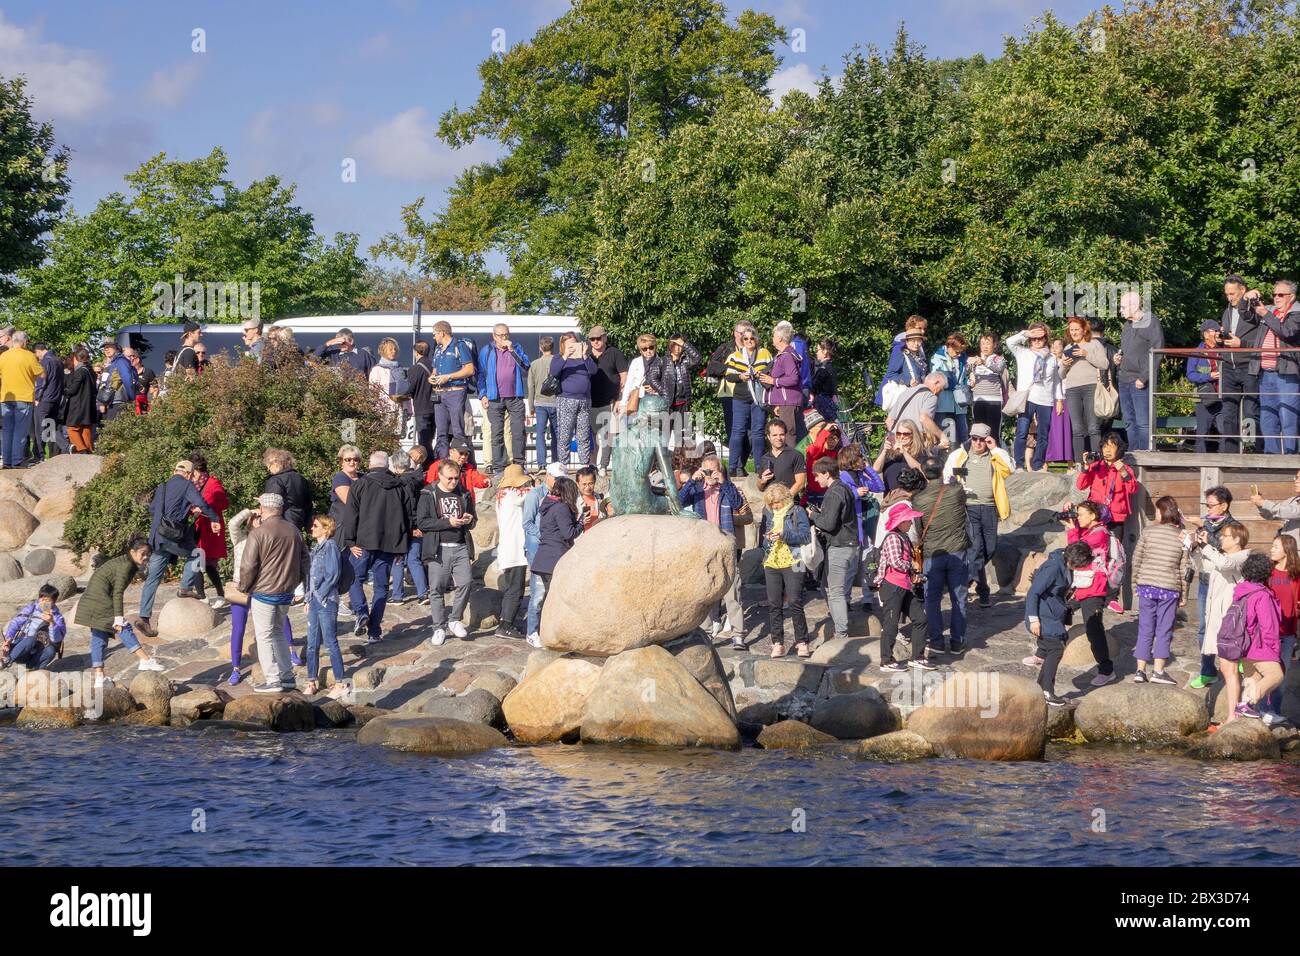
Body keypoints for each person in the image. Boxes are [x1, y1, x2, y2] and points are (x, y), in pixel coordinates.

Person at [136, 460, 221, 638]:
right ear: (189, 474)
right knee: (198, 554)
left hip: (157, 537)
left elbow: (153, 509)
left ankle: (143, 617)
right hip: (172, 537)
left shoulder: (163, 486)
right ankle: (184, 588)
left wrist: (185, 510)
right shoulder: (187, 485)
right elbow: (202, 503)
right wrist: (214, 518)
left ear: (174, 470)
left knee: (153, 579)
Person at [238, 493, 311, 694]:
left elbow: (248, 566)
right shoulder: (293, 530)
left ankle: (273, 679)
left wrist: (244, 587)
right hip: (286, 591)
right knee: (278, 632)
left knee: (264, 635)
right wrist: (297, 582)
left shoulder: (258, 533)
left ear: (263, 509)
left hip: (264, 592)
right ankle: (287, 677)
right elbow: (305, 560)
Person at [339, 450, 414, 642]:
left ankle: (362, 612)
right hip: (390, 545)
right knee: (381, 587)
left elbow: (350, 515)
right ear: (387, 465)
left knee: (354, 579)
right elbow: (408, 518)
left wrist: (350, 541)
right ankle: (374, 631)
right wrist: (402, 547)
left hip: (363, 543)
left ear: (370, 465)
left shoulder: (360, 485)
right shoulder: (400, 486)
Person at [75, 536, 165, 687]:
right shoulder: (126, 566)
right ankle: (144, 660)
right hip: (99, 600)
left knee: (99, 637)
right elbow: (118, 593)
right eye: (143, 553)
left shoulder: (126, 562)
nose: (146, 557)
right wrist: (118, 617)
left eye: (148, 554)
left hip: (92, 601)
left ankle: (99, 677)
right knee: (122, 626)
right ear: (132, 552)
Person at [679, 454, 749, 647]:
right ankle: (707, 633)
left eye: (713, 470)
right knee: (705, 592)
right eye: (707, 470)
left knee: (732, 592)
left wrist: (723, 481)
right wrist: (692, 481)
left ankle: (738, 635)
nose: (710, 474)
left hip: (726, 545)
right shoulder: (697, 489)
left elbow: (738, 504)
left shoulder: (727, 488)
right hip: (704, 546)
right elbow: (678, 502)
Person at [225, 505, 297, 685]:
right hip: (241, 589)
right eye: (256, 519)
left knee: (281, 621)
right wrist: (250, 511)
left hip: (263, 589)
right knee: (238, 627)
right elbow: (233, 523)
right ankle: (235, 667)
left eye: (262, 519)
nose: (259, 521)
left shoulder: (268, 538)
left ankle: (291, 650)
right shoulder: (240, 539)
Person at [943, 422, 1012, 609]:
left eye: (982, 440)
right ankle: (967, 586)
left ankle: (979, 587)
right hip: (968, 507)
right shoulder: (960, 455)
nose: (978, 443)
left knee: (988, 549)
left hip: (990, 507)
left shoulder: (995, 456)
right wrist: (956, 487)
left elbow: (1009, 469)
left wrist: (995, 448)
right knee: (975, 548)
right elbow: (947, 476)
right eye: (975, 439)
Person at [1026, 541, 1098, 706]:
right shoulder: (1052, 568)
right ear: (1072, 561)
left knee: (1053, 649)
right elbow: (1033, 594)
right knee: (1056, 649)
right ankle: (1046, 691)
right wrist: (1034, 620)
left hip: (1052, 614)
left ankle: (1041, 688)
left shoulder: (1064, 564)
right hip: (1043, 615)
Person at [913, 456, 971, 654]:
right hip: (957, 551)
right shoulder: (956, 491)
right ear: (941, 471)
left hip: (932, 553)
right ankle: (957, 641)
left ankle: (936, 641)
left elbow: (919, 530)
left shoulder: (919, 500)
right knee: (959, 597)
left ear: (924, 474)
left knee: (932, 599)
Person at [1057, 501, 1118, 686]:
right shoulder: (1089, 531)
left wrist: (1071, 529)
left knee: (1094, 630)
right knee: (1057, 610)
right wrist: (1071, 520)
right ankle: (1045, 652)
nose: (1079, 517)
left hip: (1094, 589)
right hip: (1081, 585)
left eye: (1082, 514)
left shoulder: (1099, 534)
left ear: (1093, 516)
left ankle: (1107, 670)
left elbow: (1075, 550)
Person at [419, 459, 477, 646]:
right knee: (436, 589)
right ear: (440, 476)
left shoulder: (464, 493)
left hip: (460, 545)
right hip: (438, 548)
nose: (453, 482)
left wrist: (469, 519)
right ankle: (438, 627)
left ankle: (454, 619)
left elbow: (473, 519)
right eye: (450, 478)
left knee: (466, 583)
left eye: (456, 478)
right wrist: (447, 522)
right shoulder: (429, 493)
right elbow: (423, 522)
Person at [1131, 495, 1187, 684]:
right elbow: (1183, 568)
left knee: (1145, 628)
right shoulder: (1181, 536)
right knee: (1164, 630)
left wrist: (1134, 584)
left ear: (1162, 512)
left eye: (1156, 509)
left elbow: (1136, 560)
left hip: (1146, 586)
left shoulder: (1148, 532)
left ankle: (1140, 671)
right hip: (1169, 589)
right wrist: (1184, 594)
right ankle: (1158, 671)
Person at [1184, 485, 1236, 684]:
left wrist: (1203, 529)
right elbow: (1203, 548)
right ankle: (1207, 670)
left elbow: (1225, 547)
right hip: (1205, 579)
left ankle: (1234, 660)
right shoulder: (1207, 523)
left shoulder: (1233, 526)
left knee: (1227, 625)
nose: (1208, 509)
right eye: (1206, 505)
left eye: (1211, 505)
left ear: (1224, 506)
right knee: (1204, 627)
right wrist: (1191, 543)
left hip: (1224, 582)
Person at [874, 503, 935, 673]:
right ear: (900, 521)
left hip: (904, 586)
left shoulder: (903, 536)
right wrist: (912, 565)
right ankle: (886, 660)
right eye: (908, 519)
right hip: (892, 587)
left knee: (920, 619)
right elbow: (896, 562)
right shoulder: (893, 537)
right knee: (891, 625)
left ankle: (917, 657)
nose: (911, 522)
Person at [1192, 521, 1250, 697]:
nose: (1221, 539)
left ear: (1237, 539)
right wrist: (1194, 548)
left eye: (1225, 536)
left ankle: (1240, 702)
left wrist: (1207, 546)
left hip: (1232, 616)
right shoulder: (1221, 556)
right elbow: (1203, 567)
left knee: (1229, 665)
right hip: (1218, 613)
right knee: (1226, 663)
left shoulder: (1243, 556)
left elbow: (1226, 565)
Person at [758, 482, 812, 659]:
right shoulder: (769, 514)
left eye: (777, 502)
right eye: (772, 503)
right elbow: (763, 543)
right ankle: (777, 643)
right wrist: (768, 539)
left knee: (795, 601)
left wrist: (784, 535)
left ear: (785, 499)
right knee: (774, 604)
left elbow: (805, 535)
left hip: (795, 559)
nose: (775, 506)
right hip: (772, 562)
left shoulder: (797, 511)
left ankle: (802, 641)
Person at [809, 457, 861, 643]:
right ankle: (839, 622)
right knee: (825, 586)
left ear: (826, 473)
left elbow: (829, 524)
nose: (815, 480)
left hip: (840, 547)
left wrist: (813, 515)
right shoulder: (844, 487)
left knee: (836, 591)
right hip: (848, 545)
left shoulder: (833, 492)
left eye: (817, 476)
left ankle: (841, 634)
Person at [1228, 552, 1284, 721]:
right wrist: (1274, 649)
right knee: (1276, 675)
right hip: (1260, 646)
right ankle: (1247, 703)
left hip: (1243, 644)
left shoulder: (1241, 591)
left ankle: (1244, 712)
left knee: (1254, 678)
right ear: (1266, 572)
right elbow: (1269, 627)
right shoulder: (1262, 595)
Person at [1251, 279, 1300, 454]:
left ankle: (1289, 457)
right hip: (1266, 373)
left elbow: (1287, 332)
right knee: (1267, 417)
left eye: (1281, 294)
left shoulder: (1296, 314)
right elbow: (1247, 317)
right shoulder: (1270, 312)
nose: (1276, 298)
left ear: (1291, 297)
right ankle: (1270, 457)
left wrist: (1266, 314)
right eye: (1274, 294)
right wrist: (1246, 300)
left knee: (1288, 416)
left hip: (1287, 374)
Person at [1006, 323, 1063, 472]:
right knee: (1022, 431)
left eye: (1041, 338)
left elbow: (1056, 381)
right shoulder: (1022, 352)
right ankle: (1019, 464)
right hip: (1027, 398)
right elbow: (1009, 342)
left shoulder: (1052, 358)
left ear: (1046, 339)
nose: (1037, 341)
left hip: (1046, 399)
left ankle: (1038, 464)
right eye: (1034, 338)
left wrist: (1059, 400)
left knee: (1043, 434)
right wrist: (1026, 333)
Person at [530, 475, 582, 633]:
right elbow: (569, 533)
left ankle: (540, 631)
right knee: (554, 599)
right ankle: (548, 631)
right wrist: (581, 523)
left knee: (545, 597)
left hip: (544, 558)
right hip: (555, 558)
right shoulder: (561, 508)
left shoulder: (548, 506)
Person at [303, 515, 347, 699]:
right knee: (311, 643)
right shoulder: (315, 549)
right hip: (314, 600)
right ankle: (311, 681)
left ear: (325, 529)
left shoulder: (330, 546)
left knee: (330, 642)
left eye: (315, 526)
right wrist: (308, 599)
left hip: (326, 600)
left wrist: (320, 595)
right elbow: (309, 577)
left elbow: (333, 574)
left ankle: (340, 682)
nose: (311, 528)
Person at [524, 462, 567, 646]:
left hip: (555, 549)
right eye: (556, 478)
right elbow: (527, 522)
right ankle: (532, 631)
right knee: (538, 592)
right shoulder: (535, 495)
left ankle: (549, 628)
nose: (558, 482)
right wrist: (545, 535)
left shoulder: (561, 496)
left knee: (554, 591)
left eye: (561, 479)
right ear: (548, 476)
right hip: (537, 548)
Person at [1217, 276, 1262, 453]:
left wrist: (1241, 344)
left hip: (1249, 365)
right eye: (1227, 294)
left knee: (1251, 411)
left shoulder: (1254, 308)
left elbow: (1259, 339)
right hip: (1229, 366)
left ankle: (1254, 451)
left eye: (1233, 293)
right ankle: (1230, 454)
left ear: (1242, 290)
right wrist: (1220, 339)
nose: (1230, 297)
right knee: (1228, 412)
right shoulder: (1226, 311)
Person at [479, 323, 531, 474]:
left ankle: (519, 464)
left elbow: (526, 366)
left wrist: (512, 351)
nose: (504, 338)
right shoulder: (487, 351)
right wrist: (482, 394)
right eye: (501, 335)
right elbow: (481, 374)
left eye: (506, 335)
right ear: (494, 336)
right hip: (494, 398)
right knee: (496, 433)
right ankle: (499, 467)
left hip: (515, 397)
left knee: (518, 431)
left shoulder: (516, 347)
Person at [1115, 290, 1164, 452]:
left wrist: (1144, 377)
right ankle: (1133, 457)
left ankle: (1145, 456)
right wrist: (1118, 358)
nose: (1120, 310)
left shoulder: (1151, 321)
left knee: (1143, 422)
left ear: (1134, 306)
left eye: (1123, 307)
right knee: (1129, 421)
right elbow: (1126, 350)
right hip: (1124, 379)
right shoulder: (1127, 326)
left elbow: (1158, 351)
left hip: (1140, 381)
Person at [1058, 316, 1108, 465]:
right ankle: (1079, 464)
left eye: (1076, 329)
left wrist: (1086, 355)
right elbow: (1061, 374)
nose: (1073, 332)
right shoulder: (1068, 348)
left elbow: (1104, 364)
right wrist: (1065, 364)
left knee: (1093, 427)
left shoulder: (1094, 344)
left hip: (1090, 387)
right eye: (1071, 330)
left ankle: (1097, 462)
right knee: (1077, 429)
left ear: (1084, 329)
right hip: (1072, 389)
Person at [723, 327, 771, 477]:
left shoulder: (765, 353)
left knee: (758, 432)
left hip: (758, 397)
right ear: (742, 341)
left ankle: (758, 466)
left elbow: (772, 369)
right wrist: (741, 377)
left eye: (752, 338)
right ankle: (732, 466)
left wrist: (761, 373)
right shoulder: (735, 355)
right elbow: (728, 375)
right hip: (741, 397)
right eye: (746, 339)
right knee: (738, 431)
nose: (749, 341)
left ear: (756, 339)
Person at [1264, 533, 1300, 723]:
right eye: (1272, 545)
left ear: (1287, 550)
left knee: (1282, 675)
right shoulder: (1267, 572)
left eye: (1276, 546)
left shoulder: (1297, 575)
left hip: (1288, 634)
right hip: (1267, 633)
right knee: (1266, 672)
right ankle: (1262, 710)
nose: (1271, 549)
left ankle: (1274, 711)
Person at [429, 320, 476, 460]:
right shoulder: (438, 349)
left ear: (442, 333)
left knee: (458, 430)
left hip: (456, 391)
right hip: (439, 393)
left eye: (434, 334)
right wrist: (432, 377)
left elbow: (469, 369)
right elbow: (435, 370)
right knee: (441, 432)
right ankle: (442, 463)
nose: (433, 337)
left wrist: (448, 377)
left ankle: (458, 463)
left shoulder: (459, 346)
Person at [494, 464, 532, 638]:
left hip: (507, 549)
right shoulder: (514, 495)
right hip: (515, 550)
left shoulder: (501, 496)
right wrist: (533, 480)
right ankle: (506, 625)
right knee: (516, 590)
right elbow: (533, 492)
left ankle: (505, 621)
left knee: (511, 589)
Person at [646, 332, 701, 448]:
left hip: (683, 403)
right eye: (675, 345)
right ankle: (660, 464)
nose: (677, 348)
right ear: (670, 345)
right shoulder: (662, 361)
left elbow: (697, 358)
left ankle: (679, 464)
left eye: (679, 346)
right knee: (663, 437)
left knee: (681, 437)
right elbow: (651, 377)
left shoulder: (685, 361)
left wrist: (684, 343)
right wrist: (663, 391)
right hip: (668, 405)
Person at [388, 450, 429, 606]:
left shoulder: (401, 483)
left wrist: (409, 527)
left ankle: (397, 595)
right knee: (414, 559)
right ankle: (423, 593)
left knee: (398, 559)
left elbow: (404, 508)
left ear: (397, 466)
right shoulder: (419, 479)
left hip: (404, 527)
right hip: (419, 526)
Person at [550, 333, 596, 468]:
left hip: (584, 401)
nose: (572, 347)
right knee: (565, 435)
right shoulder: (559, 358)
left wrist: (585, 355)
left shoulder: (584, 358)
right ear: (563, 345)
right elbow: (553, 371)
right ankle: (563, 466)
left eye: (574, 344)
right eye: (569, 345)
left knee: (583, 435)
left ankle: (584, 466)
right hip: (566, 400)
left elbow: (593, 370)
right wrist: (565, 356)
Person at [189, 452, 229, 606]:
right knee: (194, 560)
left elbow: (224, 503)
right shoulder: (191, 484)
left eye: (194, 473)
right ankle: (202, 595)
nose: (192, 476)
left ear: (200, 470)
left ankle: (220, 594)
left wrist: (206, 508)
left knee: (209, 563)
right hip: (197, 527)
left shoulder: (213, 483)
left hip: (211, 528)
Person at [1075, 432, 1137, 531]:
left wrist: (1123, 472)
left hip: (1115, 518)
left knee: (1114, 546)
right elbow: (1080, 486)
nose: (1107, 450)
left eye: (1111, 446)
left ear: (1118, 449)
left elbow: (1133, 490)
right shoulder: (1096, 466)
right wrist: (1086, 467)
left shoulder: (1125, 468)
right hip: (1096, 516)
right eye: (1104, 447)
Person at [0, 330, 44, 468]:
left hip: (6, 397)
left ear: (13, 341)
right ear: (25, 341)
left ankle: (6, 461)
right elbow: (42, 374)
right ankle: (16, 460)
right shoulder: (29, 356)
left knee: (7, 430)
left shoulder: (3, 356)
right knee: (20, 430)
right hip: (24, 397)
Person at [587, 325, 627, 473]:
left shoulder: (614, 353)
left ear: (605, 338)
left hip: (610, 401)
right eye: (592, 339)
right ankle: (592, 466)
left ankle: (603, 465)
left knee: (608, 435)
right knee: (591, 436)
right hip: (590, 401)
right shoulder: (586, 354)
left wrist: (619, 399)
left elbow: (624, 376)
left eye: (598, 338)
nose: (596, 341)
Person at [1, 584, 65, 671]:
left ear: (53, 602)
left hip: (39, 652)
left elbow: (57, 640)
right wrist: (8, 638)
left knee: (51, 651)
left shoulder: (58, 617)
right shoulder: (32, 609)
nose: (43, 602)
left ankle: (34, 671)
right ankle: (6, 661)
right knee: (31, 639)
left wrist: (52, 622)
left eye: (47, 600)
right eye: (41, 598)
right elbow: (16, 622)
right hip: (22, 650)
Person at [760, 321, 804, 437]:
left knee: (788, 435)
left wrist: (773, 381)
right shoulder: (784, 355)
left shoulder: (786, 356)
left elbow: (793, 378)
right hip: (785, 402)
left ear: (779, 338)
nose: (772, 338)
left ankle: (792, 456)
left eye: (774, 336)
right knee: (786, 434)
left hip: (789, 402)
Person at [1186, 320, 1223, 454]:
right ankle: (1200, 462)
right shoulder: (1197, 352)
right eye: (1215, 330)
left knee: (1225, 430)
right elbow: (1190, 375)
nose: (1218, 333)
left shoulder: (1223, 350)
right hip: (1204, 399)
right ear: (1206, 334)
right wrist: (1209, 376)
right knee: (1202, 432)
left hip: (1222, 397)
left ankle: (1226, 462)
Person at [884, 372, 949, 449]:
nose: (939, 393)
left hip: (894, 445)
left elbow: (889, 421)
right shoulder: (930, 396)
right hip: (913, 444)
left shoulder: (905, 393)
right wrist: (942, 436)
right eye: (940, 389)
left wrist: (898, 438)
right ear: (936, 383)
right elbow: (924, 418)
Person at [877, 318, 929, 410]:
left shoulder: (918, 351)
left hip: (915, 396)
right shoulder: (900, 349)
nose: (922, 331)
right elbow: (891, 373)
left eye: (919, 341)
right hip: (902, 397)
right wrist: (908, 381)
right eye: (919, 328)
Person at [370, 337, 413, 439]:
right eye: (391, 349)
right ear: (383, 351)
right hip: (383, 411)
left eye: (395, 349)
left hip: (399, 411)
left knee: (397, 440)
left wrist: (408, 409)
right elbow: (372, 392)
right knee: (384, 440)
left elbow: (405, 391)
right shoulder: (377, 369)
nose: (393, 352)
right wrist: (374, 411)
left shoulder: (400, 368)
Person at [930, 333, 969, 446]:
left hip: (960, 403)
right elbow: (936, 379)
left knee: (963, 434)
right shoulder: (937, 358)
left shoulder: (962, 357)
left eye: (961, 352)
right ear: (949, 347)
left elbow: (964, 377)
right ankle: (945, 461)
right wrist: (953, 383)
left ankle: (964, 460)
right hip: (943, 403)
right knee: (947, 435)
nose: (959, 354)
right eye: (957, 352)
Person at [262, 448, 312, 534]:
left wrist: (262, 501)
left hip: (281, 523)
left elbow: (272, 506)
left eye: (269, 466)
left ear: (276, 463)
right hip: (298, 520)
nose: (269, 470)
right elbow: (308, 504)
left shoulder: (276, 480)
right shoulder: (301, 479)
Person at [526, 336, 559, 470]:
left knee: (540, 433)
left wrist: (531, 406)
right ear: (553, 347)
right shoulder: (557, 362)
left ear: (540, 348)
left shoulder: (534, 364)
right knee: (556, 433)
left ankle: (541, 463)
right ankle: (556, 462)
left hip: (540, 403)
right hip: (555, 402)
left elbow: (531, 386)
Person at [874, 419, 932, 492]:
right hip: (892, 498)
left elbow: (922, 471)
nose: (901, 437)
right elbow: (876, 469)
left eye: (906, 434)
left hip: (912, 497)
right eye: (898, 433)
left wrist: (905, 453)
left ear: (913, 434)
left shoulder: (920, 452)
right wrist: (884, 451)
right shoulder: (890, 452)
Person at [967, 332, 1007, 437]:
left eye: (988, 343)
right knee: (978, 433)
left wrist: (983, 362)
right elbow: (968, 376)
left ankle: (995, 453)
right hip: (978, 400)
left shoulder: (998, 359)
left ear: (994, 345)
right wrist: (970, 380)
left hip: (994, 401)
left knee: (993, 433)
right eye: (982, 343)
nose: (985, 346)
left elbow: (999, 369)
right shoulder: (974, 360)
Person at [755, 418, 806, 500]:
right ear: (768, 437)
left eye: (781, 434)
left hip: (790, 504)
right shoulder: (764, 458)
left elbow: (800, 483)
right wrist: (762, 481)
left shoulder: (796, 455)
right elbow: (760, 488)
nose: (778, 438)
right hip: (770, 505)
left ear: (785, 435)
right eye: (774, 435)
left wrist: (784, 501)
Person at [31, 342, 63, 461]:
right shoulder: (58, 361)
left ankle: (39, 455)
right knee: (50, 427)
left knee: (39, 428)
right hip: (56, 399)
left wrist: (37, 398)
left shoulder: (45, 361)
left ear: (38, 351)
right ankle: (58, 451)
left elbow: (42, 382)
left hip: (45, 399)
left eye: (36, 354)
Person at [1252, 469, 1300, 548]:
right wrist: (1260, 505)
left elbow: (1289, 512)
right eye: (1296, 477)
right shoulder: (1293, 500)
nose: (1296, 481)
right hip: (1287, 548)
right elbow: (1271, 515)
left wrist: (1263, 503)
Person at [63, 348, 96, 453]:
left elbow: (73, 390)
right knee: (86, 429)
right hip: (89, 406)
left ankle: (81, 449)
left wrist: (63, 390)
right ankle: (89, 450)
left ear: (76, 359)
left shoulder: (80, 372)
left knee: (72, 428)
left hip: (78, 405)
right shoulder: (91, 371)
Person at [803, 421, 842, 507]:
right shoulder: (814, 451)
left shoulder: (836, 454)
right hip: (814, 495)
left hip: (831, 494)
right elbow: (816, 447)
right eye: (830, 438)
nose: (833, 441)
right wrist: (825, 430)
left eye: (835, 438)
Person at [409, 339, 437, 456]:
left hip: (421, 407)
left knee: (423, 440)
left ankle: (426, 463)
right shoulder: (435, 366)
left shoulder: (414, 369)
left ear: (416, 352)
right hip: (436, 407)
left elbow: (410, 389)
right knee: (432, 437)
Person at [98, 340, 136, 422]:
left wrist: (132, 397)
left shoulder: (120, 360)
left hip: (119, 401)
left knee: (112, 431)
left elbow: (127, 379)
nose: (106, 350)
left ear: (116, 348)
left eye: (108, 347)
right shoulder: (115, 361)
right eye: (105, 348)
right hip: (114, 401)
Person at [329, 445, 362, 526]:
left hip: (360, 522)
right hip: (342, 524)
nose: (352, 462)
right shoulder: (340, 477)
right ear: (341, 462)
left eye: (356, 459)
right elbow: (349, 501)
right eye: (348, 460)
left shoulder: (364, 477)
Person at [810, 339, 839, 424]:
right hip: (829, 403)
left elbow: (813, 386)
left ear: (825, 351)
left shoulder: (824, 369)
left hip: (823, 405)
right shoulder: (831, 367)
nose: (816, 353)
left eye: (818, 350)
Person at [575, 466, 611, 531]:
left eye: (590, 483)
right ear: (577, 484)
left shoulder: (600, 499)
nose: (588, 487)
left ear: (594, 482)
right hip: (580, 539)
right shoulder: (573, 501)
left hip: (596, 537)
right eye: (584, 484)